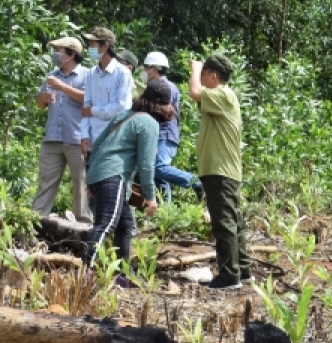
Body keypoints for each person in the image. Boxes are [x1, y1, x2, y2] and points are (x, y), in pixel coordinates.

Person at [82, 79, 174, 269]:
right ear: (164, 107)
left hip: (100, 172)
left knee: (125, 226)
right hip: (113, 175)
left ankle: (122, 274)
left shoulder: (125, 115)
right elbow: (146, 164)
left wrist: (91, 177)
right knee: (107, 224)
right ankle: (85, 271)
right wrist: (150, 196)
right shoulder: (149, 123)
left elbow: (98, 144)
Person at [189, 53, 248, 290]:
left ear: (213, 76)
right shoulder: (221, 98)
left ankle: (228, 276)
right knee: (233, 222)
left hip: (220, 171)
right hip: (223, 170)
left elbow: (194, 92)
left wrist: (195, 69)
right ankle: (242, 270)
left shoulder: (222, 94)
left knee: (223, 223)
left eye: (204, 74)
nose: (200, 78)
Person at [30, 36, 91, 223]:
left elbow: (89, 100)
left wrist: (62, 88)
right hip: (53, 138)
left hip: (77, 138)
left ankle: (84, 225)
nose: (56, 55)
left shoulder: (87, 75)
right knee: (45, 181)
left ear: (72, 54)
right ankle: (35, 220)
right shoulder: (52, 75)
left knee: (81, 183)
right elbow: (40, 103)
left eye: (60, 51)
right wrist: (44, 98)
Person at [143, 51, 203, 203]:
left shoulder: (165, 87)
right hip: (160, 134)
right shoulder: (157, 86)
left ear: (154, 69)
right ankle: (165, 212)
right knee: (159, 176)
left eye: (146, 67)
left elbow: (160, 113)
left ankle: (195, 182)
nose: (144, 71)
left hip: (164, 135)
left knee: (158, 168)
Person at [80, 27, 133, 157]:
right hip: (92, 141)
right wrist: (84, 135)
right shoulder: (91, 73)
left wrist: (93, 110)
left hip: (113, 140)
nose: (90, 48)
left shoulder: (122, 73)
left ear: (105, 46)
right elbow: (85, 107)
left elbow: (122, 109)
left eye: (93, 44)